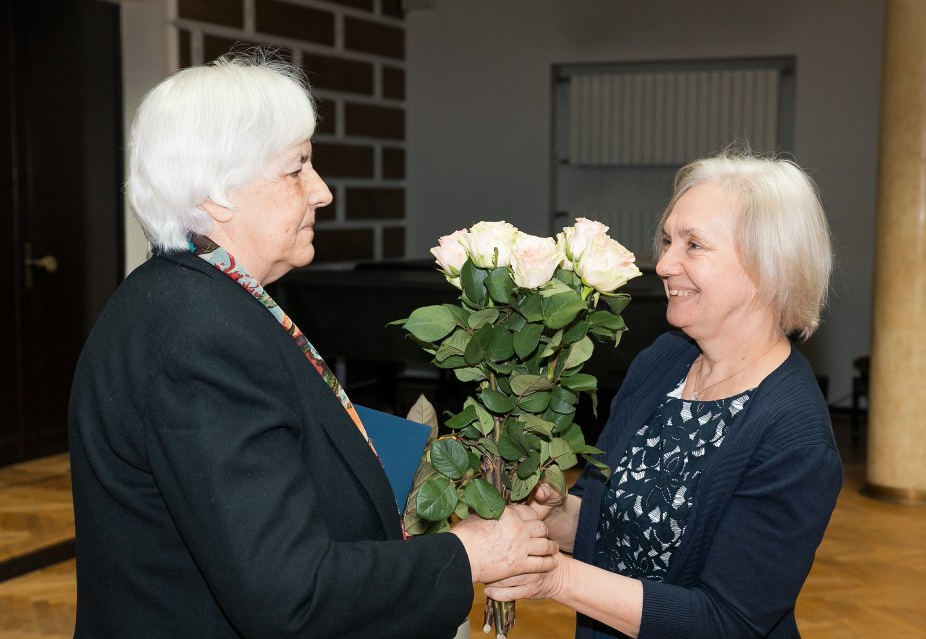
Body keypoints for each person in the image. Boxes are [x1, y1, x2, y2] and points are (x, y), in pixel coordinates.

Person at [68, 49, 557, 639]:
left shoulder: (192, 296)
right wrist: (469, 554)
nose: (322, 192)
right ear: (216, 195)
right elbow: (289, 593)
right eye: (296, 168)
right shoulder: (201, 338)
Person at [486, 151, 843, 638]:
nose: (665, 263)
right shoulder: (665, 360)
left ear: (768, 266)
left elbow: (727, 622)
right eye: (668, 240)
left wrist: (555, 578)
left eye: (693, 245)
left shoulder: (794, 435)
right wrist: (549, 514)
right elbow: (606, 518)